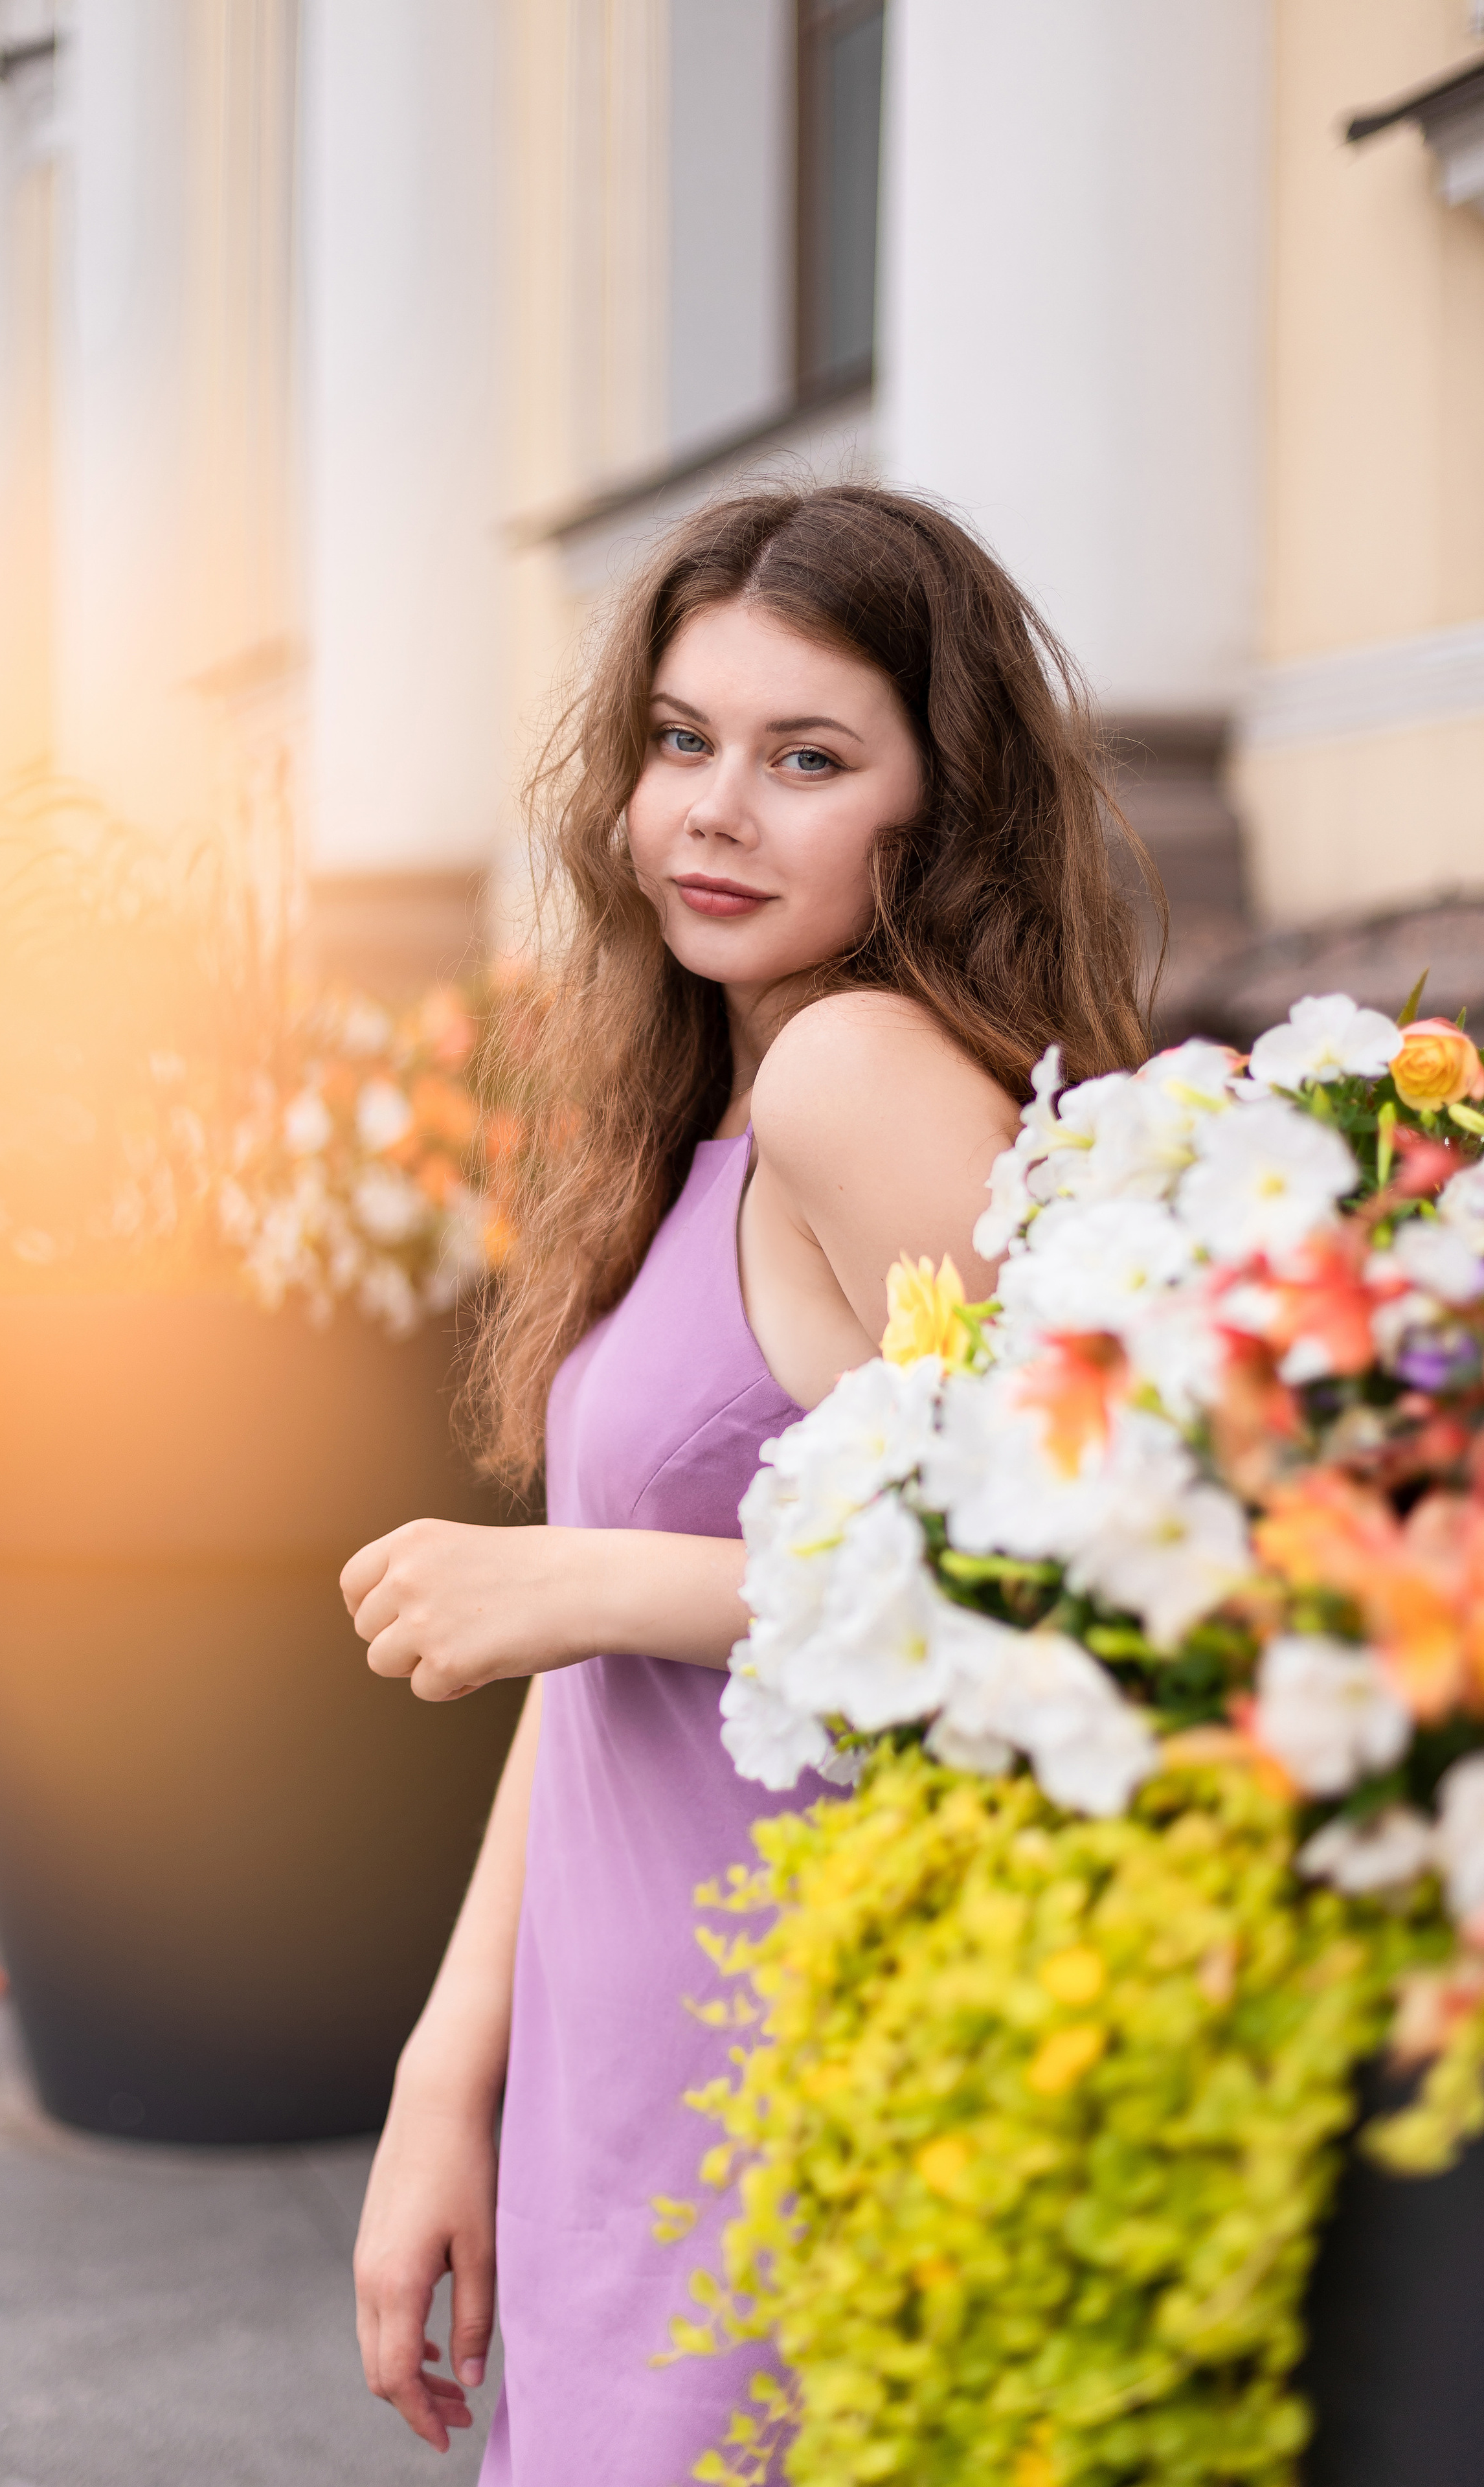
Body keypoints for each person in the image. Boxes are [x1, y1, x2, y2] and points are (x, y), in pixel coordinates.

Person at [339, 483, 1158, 2484]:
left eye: (807, 760)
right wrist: (450, 2072)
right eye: (682, 740)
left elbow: (1093, 1585)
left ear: (936, 810)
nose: (715, 811)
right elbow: (598, 1694)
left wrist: (597, 1583)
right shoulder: (706, 1105)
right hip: (629, 2062)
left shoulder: (852, 1075)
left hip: (794, 2065)